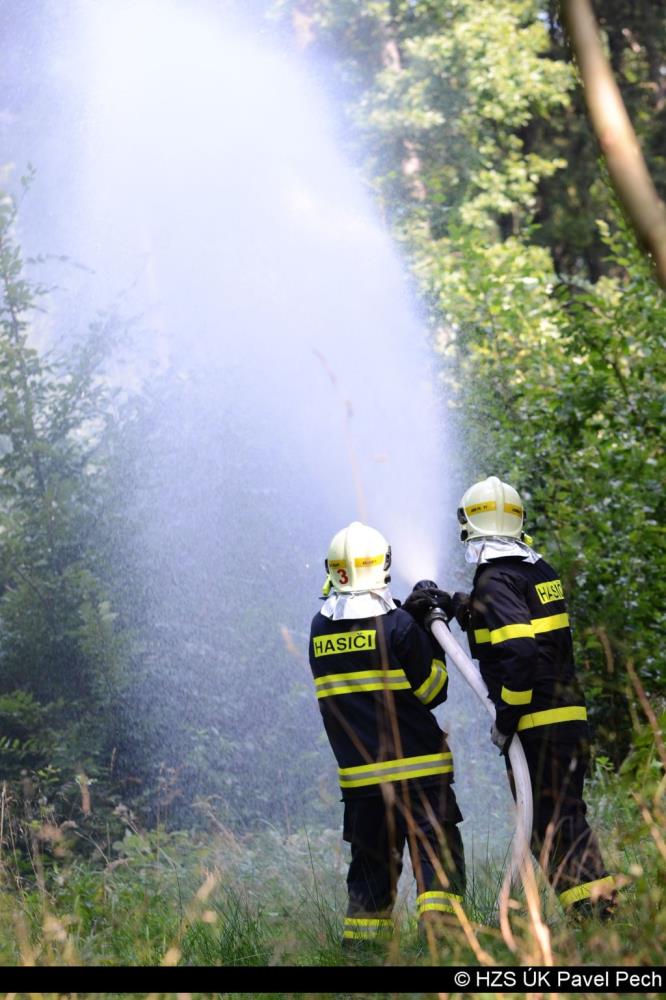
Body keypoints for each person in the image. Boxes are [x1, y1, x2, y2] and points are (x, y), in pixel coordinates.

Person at [450, 475, 616, 920]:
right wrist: (466, 610)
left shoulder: (494, 578)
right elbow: (527, 631)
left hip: (538, 722)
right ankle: (596, 916)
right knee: (562, 817)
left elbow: (520, 650)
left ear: (469, 525)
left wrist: (507, 717)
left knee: (550, 824)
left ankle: (597, 917)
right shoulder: (538, 568)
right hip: (568, 715)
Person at [308, 521, 465, 946]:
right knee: (436, 857)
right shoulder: (398, 626)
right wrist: (427, 635)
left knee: (371, 870)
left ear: (334, 569)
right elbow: (434, 691)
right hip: (421, 777)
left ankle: (362, 953)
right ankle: (442, 946)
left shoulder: (318, 630)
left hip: (363, 785)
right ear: (382, 565)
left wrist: (406, 617)